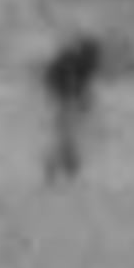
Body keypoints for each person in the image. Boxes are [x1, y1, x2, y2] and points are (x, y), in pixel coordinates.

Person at [37, 31, 102, 186]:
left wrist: (84, 100)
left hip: (65, 98)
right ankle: (62, 165)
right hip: (63, 97)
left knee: (69, 134)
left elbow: (81, 85)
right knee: (67, 134)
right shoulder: (73, 62)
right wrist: (80, 99)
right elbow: (72, 84)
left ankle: (64, 164)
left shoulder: (82, 63)